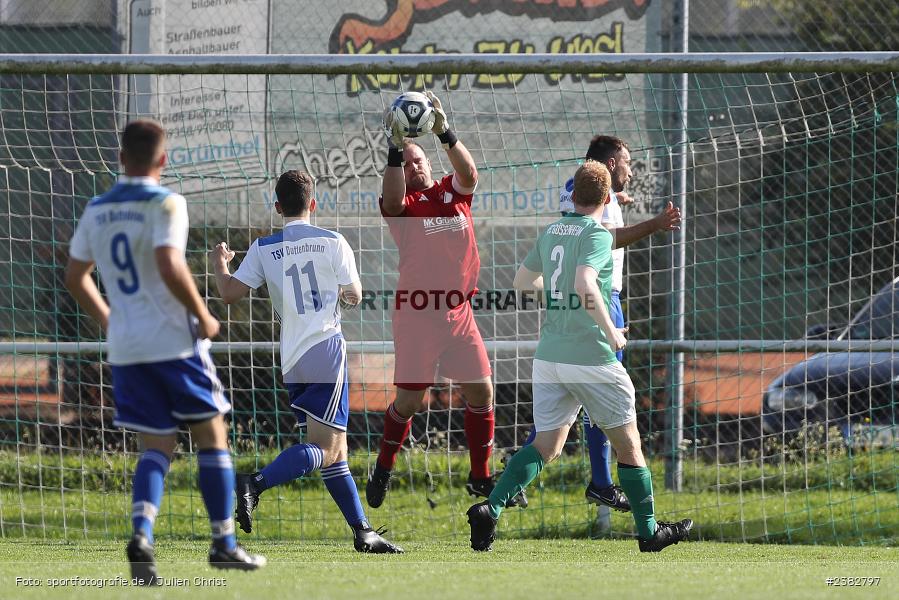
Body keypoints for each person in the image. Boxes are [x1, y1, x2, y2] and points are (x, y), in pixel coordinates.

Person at [64, 119, 265, 585]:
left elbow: (76, 277)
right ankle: (223, 544)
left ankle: (141, 536)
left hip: (128, 348)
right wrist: (204, 315)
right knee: (211, 435)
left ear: (120, 158)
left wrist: (112, 322)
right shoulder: (167, 202)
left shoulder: (97, 208)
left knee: (156, 445)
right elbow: (168, 262)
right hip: (174, 341)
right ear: (163, 160)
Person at [466, 161, 693, 552]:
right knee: (629, 445)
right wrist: (612, 333)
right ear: (607, 198)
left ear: (572, 197)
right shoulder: (599, 235)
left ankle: (492, 508)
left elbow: (522, 282)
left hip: (550, 357)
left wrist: (558, 302)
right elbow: (585, 282)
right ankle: (649, 531)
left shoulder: (553, 230)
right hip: (591, 356)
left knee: (547, 446)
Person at [211, 170, 402, 553]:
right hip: (326, 351)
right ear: (314, 204)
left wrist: (220, 263)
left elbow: (228, 293)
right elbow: (354, 294)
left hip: (293, 358)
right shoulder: (334, 242)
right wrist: (344, 296)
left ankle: (363, 532)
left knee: (335, 452)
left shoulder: (265, 247)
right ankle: (255, 483)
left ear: (278, 207)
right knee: (328, 448)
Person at [366, 91, 525, 509]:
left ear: (431, 164)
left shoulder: (451, 194)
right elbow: (395, 200)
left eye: (420, 160)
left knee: (482, 393)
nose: (415, 166)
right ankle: (383, 466)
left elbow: (470, 175)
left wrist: (444, 131)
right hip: (418, 313)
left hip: (459, 312)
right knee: (410, 401)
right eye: (409, 161)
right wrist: (396, 147)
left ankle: (480, 476)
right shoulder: (404, 205)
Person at [550, 135, 682, 513]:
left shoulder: (586, 190)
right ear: (609, 164)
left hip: (585, 302)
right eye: (626, 161)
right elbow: (602, 240)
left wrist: (617, 201)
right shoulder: (588, 191)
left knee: (567, 404)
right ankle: (609, 487)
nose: (630, 168)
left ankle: (511, 483)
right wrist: (654, 224)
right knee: (605, 395)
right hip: (600, 299)